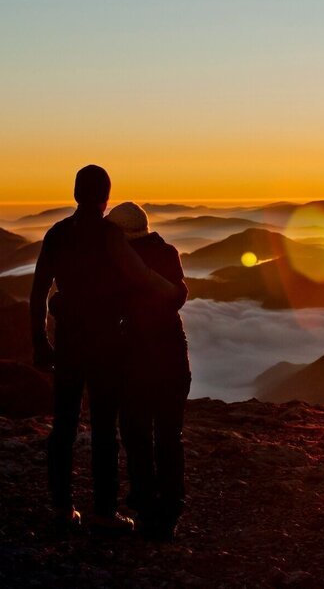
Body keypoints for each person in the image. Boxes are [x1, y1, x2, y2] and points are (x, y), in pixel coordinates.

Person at [29, 165, 176, 533]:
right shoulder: (111, 235)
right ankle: (104, 513)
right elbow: (139, 275)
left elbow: (37, 291)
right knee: (104, 429)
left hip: (68, 343)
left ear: (75, 193)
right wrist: (173, 291)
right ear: (106, 197)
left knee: (62, 426)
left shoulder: (57, 234)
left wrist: (39, 341)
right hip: (107, 343)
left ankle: (62, 508)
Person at [105, 202, 191, 541]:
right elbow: (178, 295)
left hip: (137, 356)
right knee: (169, 434)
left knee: (137, 431)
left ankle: (145, 504)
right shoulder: (167, 252)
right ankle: (171, 505)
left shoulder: (119, 261)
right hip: (172, 352)